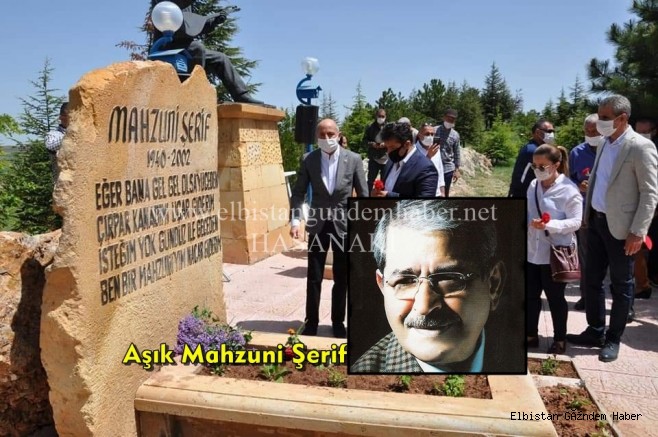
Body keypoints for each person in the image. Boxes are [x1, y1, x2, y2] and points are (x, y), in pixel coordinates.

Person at [350, 199, 514, 373]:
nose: (424, 306)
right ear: (382, 286)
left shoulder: (516, 355)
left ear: (493, 285)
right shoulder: (364, 372)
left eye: (449, 278)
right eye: (404, 281)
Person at [567, 95, 658, 363]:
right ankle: (595, 331)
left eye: (605, 118)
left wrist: (638, 231)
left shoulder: (640, 147)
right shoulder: (605, 143)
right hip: (596, 222)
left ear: (622, 118)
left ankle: (613, 338)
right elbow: (597, 179)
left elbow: (649, 193)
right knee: (592, 280)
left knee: (621, 284)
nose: (600, 122)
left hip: (622, 228)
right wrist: (587, 214)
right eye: (599, 116)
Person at [290, 119, 368, 338]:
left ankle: (337, 322)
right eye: (322, 135)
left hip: (344, 225)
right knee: (314, 276)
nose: (327, 138)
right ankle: (311, 322)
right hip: (318, 225)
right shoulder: (309, 159)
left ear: (338, 134)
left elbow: (363, 194)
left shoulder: (353, 159)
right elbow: (298, 192)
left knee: (342, 277)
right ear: (317, 137)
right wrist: (295, 220)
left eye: (330, 134)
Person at [527, 144, 582, 355]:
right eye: (535, 165)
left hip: (555, 252)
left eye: (542, 166)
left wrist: (550, 225)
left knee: (555, 298)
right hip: (532, 250)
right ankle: (530, 335)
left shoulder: (569, 190)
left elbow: (576, 222)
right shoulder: (533, 185)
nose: (538, 170)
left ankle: (560, 339)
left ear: (556, 164)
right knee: (530, 296)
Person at [151, 0, 262, 104]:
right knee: (197, 47)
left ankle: (241, 95)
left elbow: (192, 27)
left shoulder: (188, 6)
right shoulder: (166, 3)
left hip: (186, 48)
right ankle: (196, 90)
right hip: (166, 46)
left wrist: (214, 21)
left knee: (220, 58)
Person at [568, 114, 603, 310]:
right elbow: (568, 180)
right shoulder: (577, 153)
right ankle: (586, 297)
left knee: (615, 262)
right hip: (585, 213)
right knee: (586, 258)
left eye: (594, 131)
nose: (590, 134)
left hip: (610, 213)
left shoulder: (612, 150)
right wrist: (577, 185)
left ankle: (624, 306)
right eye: (587, 131)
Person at [370, 122, 438, 198]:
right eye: (387, 147)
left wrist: (388, 196)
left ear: (407, 144)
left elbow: (423, 203)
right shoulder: (392, 160)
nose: (388, 152)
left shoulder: (426, 168)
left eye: (392, 147)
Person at [636, 117, 658, 295]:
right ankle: (643, 282)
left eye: (645, 132)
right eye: (638, 132)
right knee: (640, 246)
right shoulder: (632, 148)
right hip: (637, 206)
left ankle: (650, 278)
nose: (641, 135)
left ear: (654, 131)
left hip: (654, 206)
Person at [508, 119, 556, 197]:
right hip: (523, 194)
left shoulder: (532, 147)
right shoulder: (534, 151)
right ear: (538, 132)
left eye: (553, 132)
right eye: (549, 131)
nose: (552, 134)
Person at [435, 109, 461, 197]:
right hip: (433, 166)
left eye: (452, 119)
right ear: (444, 117)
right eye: (448, 118)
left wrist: (457, 170)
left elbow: (457, 152)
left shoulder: (455, 135)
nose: (450, 120)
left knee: (445, 193)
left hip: (447, 168)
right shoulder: (434, 130)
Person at [415, 122, 445, 196]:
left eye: (432, 134)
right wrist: (428, 156)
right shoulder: (413, 150)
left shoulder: (436, 149)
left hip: (437, 192)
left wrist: (442, 191)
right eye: (427, 134)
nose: (430, 136)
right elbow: (415, 172)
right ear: (419, 135)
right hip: (421, 192)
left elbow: (440, 170)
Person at [363, 108, 388, 190]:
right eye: (379, 116)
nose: (381, 118)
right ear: (376, 116)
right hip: (374, 157)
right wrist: (372, 144)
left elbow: (393, 140)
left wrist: (385, 144)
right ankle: (368, 196)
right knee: (370, 180)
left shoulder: (388, 127)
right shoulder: (370, 127)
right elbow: (364, 140)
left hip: (386, 158)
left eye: (383, 116)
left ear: (385, 117)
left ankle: (382, 196)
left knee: (385, 182)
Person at [45, 102, 69, 184]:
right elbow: (50, 146)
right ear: (61, 117)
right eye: (69, 116)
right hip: (62, 184)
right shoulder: (53, 135)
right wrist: (70, 135)